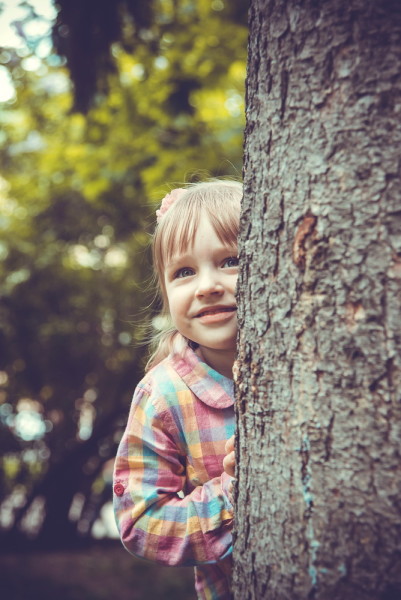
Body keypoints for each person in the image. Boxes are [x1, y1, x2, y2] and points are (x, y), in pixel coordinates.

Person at [113, 179, 241, 599]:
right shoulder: (163, 394)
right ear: (165, 294)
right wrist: (235, 497)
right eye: (184, 272)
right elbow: (141, 522)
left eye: (230, 261)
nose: (207, 285)